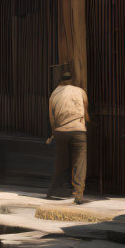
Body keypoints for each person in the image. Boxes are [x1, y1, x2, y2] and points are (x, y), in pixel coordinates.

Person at [46, 70, 89, 204]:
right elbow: (86, 115)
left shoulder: (53, 95)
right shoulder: (80, 91)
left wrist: (54, 134)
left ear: (60, 81)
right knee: (80, 163)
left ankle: (51, 191)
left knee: (60, 163)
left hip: (60, 131)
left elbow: (52, 119)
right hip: (78, 129)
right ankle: (78, 195)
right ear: (71, 80)